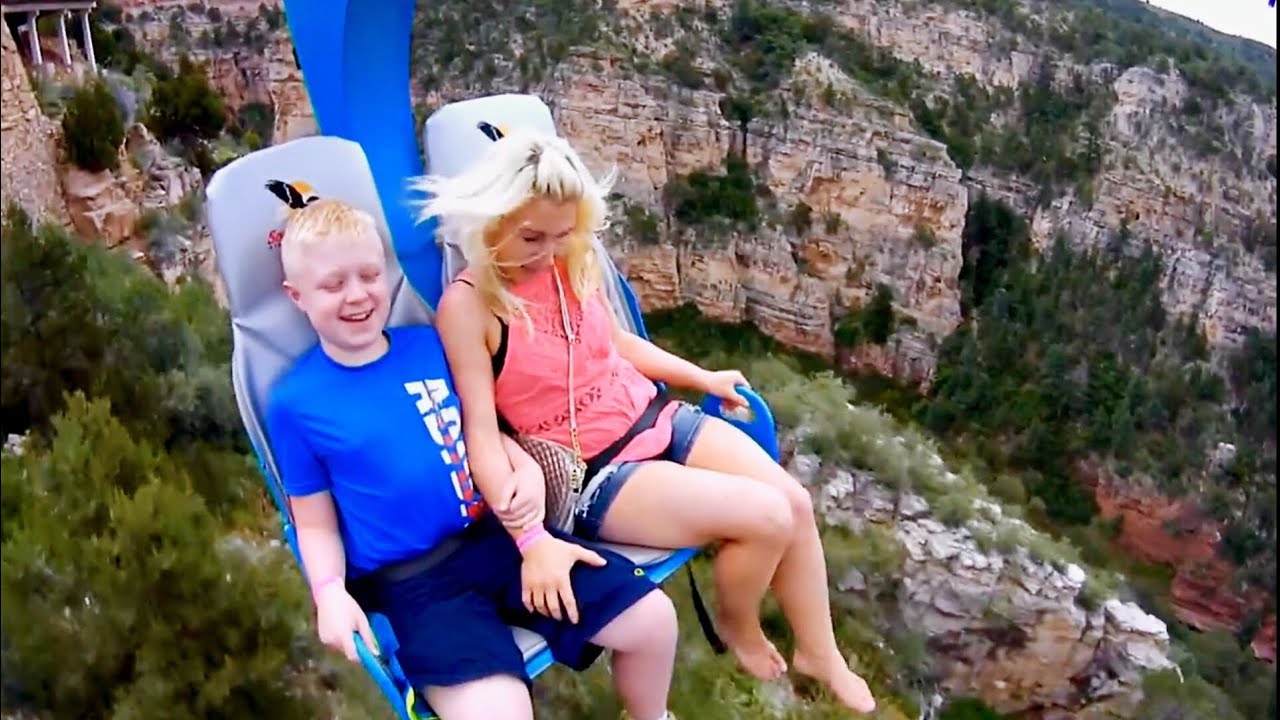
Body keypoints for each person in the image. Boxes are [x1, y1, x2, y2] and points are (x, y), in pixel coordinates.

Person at [416, 129, 878, 715]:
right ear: (489, 220)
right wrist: (526, 533)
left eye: (561, 235)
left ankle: (820, 652)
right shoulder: (471, 307)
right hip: (592, 469)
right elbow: (479, 429)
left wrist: (701, 377)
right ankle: (738, 628)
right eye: (531, 236)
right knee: (767, 518)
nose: (547, 252)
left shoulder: (570, 263)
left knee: (796, 502)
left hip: (647, 412)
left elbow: (616, 344)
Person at [263, 198, 679, 720]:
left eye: (369, 275)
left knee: (653, 622)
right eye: (332, 285)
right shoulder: (295, 404)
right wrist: (328, 593)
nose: (357, 295)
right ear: (296, 296)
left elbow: (479, 427)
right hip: (416, 583)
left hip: (499, 541)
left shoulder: (425, 345)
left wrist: (524, 467)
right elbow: (315, 523)